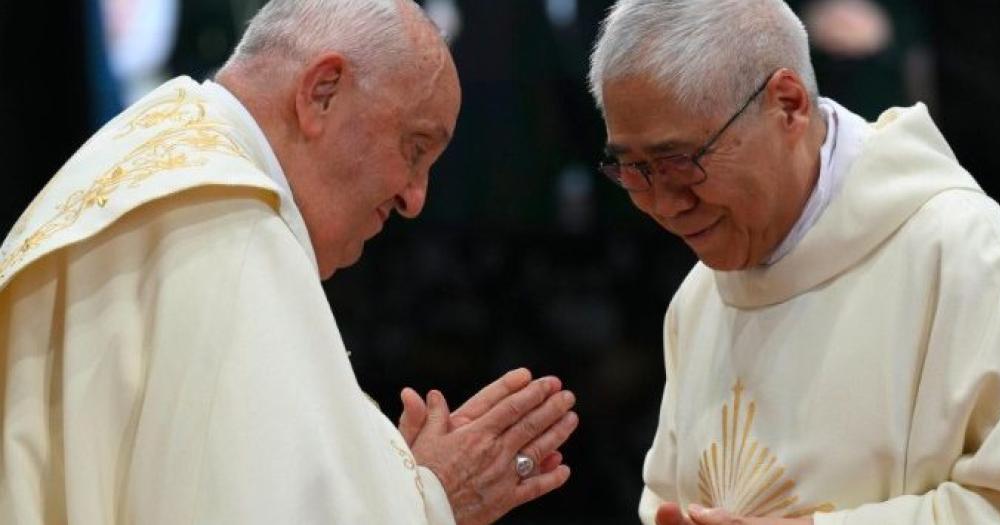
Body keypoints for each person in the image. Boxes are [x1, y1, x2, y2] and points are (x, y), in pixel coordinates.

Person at [0, 1, 578, 524]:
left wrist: (384, 473)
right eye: (415, 148)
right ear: (321, 92)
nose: (414, 198)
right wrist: (432, 497)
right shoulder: (228, 227)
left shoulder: (147, 159)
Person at [587, 0, 1000, 524]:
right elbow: (666, 501)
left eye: (680, 162)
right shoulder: (699, 298)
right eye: (632, 169)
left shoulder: (968, 256)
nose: (664, 204)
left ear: (788, 105)